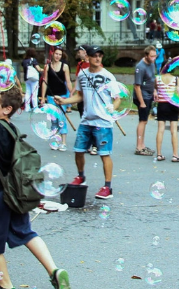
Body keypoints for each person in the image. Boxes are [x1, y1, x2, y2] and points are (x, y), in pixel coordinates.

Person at [0, 86, 71, 289]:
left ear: (6, 109)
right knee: (25, 232)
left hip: (2, 194)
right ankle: (54, 271)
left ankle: (6, 287)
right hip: (16, 193)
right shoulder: (10, 128)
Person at [54, 46, 121, 200]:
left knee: (104, 154)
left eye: (100, 56)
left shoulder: (108, 76)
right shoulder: (83, 75)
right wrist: (64, 101)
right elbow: (80, 96)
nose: (98, 59)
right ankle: (81, 176)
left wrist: (113, 107)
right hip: (86, 120)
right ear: (88, 58)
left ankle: (107, 187)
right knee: (78, 150)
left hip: (103, 122)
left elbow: (117, 99)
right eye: (94, 56)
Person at [41, 47, 73, 151]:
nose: (58, 56)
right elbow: (45, 82)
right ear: (52, 54)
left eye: (60, 54)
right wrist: (43, 97)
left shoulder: (65, 67)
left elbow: (68, 81)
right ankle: (55, 140)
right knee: (53, 119)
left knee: (62, 119)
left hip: (62, 96)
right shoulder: (47, 67)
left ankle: (63, 142)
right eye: (56, 54)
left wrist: (71, 95)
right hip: (51, 96)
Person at [154, 64, 179, 162]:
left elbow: (155, 89)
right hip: (172, 105)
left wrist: (155, 92)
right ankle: (175, 155)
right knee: (173, 131)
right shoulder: (175, 79)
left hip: (162, 106)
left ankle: (159, 154)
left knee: (160, 130)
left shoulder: (157, 79)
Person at [72, 45, 98, 156]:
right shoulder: (80, 65)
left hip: (92, 98)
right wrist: (73, 92)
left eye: (79, 51)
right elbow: (78, 81)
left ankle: (95, 145)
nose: (78, 53)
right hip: (82, 98)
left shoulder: (96, 64)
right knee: (85, 120)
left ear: (85, 52)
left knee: (94, 122)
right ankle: (87, 143)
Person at [134, 45, 158, 156]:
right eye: (151, 56)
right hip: (141, 97)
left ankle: (142, 145)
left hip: (149, 95)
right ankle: (139, 147)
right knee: (142, 120)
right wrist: (142, 102)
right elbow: (137, 86)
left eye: (155, 56)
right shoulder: (140, 67)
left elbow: (152, 79)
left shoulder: (152, 64)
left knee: (145, 121)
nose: (154, 58)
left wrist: (154, 91)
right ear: (146, 55)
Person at [21, 47, 43, 112]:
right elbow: (38, 69)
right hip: (34, 79)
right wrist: (44, 69)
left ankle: (27, 107)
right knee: (34, 93)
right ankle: (35, 108)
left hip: (27, 78)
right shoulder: (33, 60)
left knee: (28, 93)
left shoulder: (24, 61)